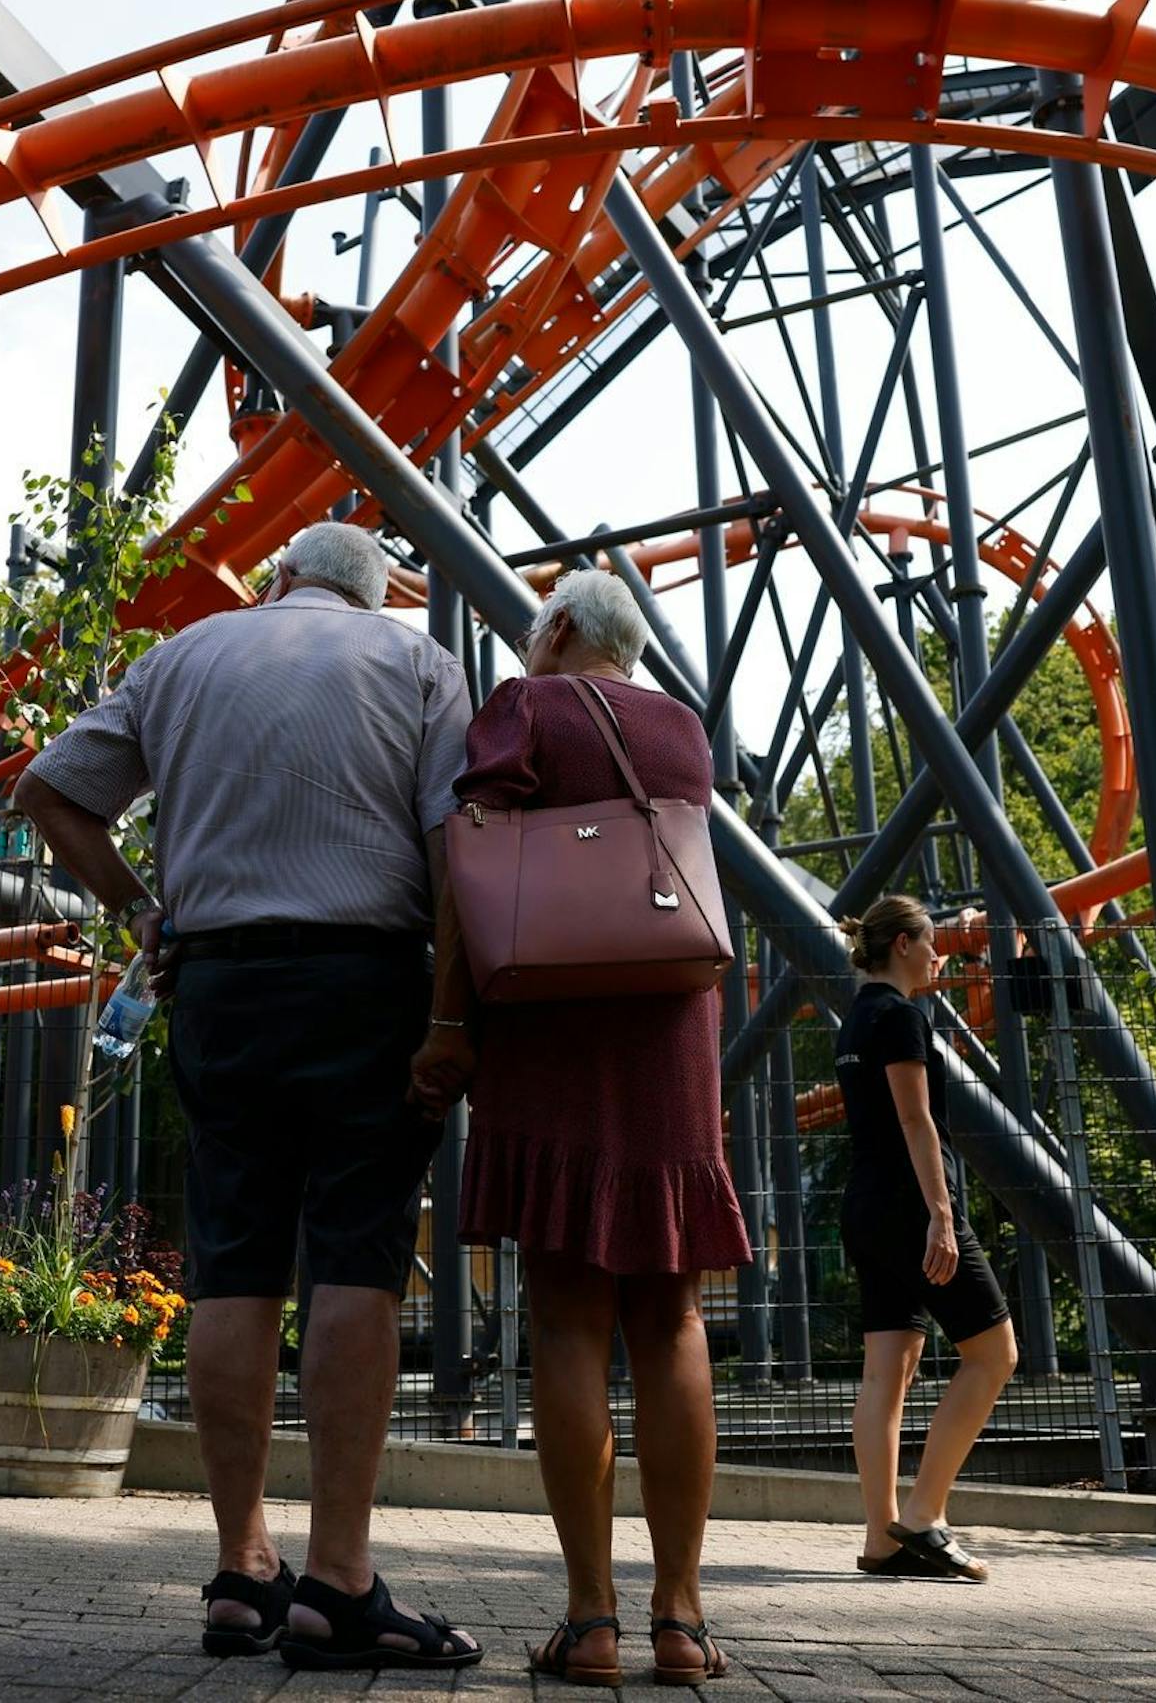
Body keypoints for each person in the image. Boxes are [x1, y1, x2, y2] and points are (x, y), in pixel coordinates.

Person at [14, 520, 484, 1674]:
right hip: (367, 979)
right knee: (356, 1257)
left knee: (233, 1261)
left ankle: (240, 1567)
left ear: (278, 579)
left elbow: (50, 791)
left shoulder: (181, 655)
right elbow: (455, 850)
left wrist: (141, 908)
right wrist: (448, 1014)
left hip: (218, 980)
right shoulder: (416, 662)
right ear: (374, 596)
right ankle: (340, 1580)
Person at [410, 570, 749, 1688]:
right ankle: (682, 1618)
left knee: (566, 1317)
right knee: (671, 1315)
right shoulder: (682, 726)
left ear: (557, 628)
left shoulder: (525, 704)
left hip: (554, 1025)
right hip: (669, 1033)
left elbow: (468, 861)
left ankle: (590, 1618)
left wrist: (448, 1021)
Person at [833, 894, 1018, 1582]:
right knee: (994, 1354)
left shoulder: (855, 1020)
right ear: (903, 945)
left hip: (864, 1207)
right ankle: (923, 1515)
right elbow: (916, 1121)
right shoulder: (902, 1016)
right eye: (932, 943)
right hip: (909, 1208)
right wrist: (941, 1214)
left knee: (888, 1370)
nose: (940, 954)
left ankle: (881, 1538)